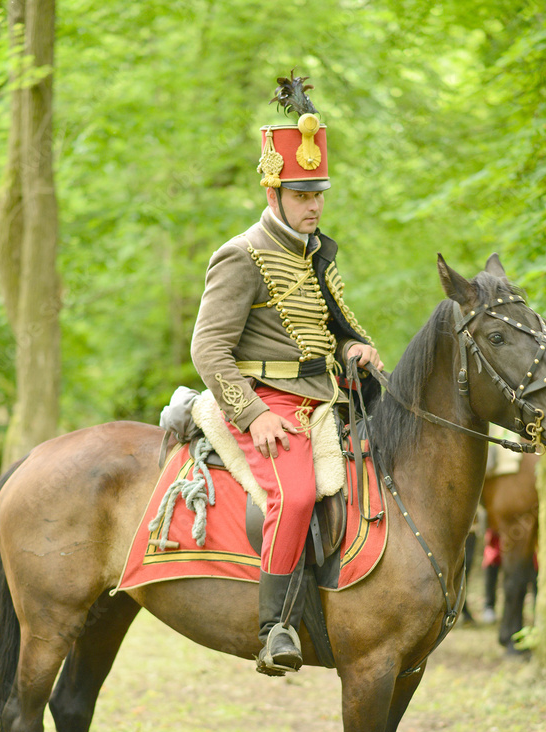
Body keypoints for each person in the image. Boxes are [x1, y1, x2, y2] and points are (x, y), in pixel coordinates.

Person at [190, 74, 383, 675]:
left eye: (319, 193)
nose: (315, 204)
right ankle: (275, 628)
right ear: (273, 192)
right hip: (264, 402)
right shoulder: (241, 255)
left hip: (322, 397)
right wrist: (252, 413)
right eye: (302, 195)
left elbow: (337, 325)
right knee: (295, 493)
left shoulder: (316, 252)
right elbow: (207, 349)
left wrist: (358, 347)